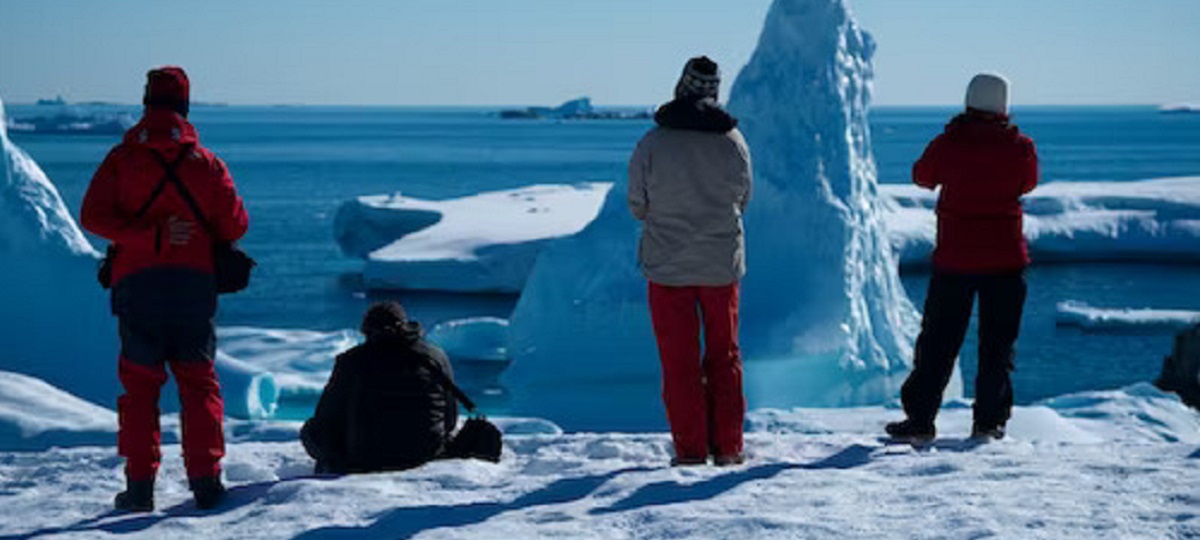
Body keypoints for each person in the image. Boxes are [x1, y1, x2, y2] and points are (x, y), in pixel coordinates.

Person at [81, 66, 249, 511]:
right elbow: (236, 223)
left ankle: (138, 490)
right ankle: (207, 482)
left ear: (145, 102)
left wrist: (144, 238)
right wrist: (182, 232)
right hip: (193, 288)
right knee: (199, 385)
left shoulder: (122, 160)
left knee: (139, 389)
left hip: (137, 286)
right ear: (185, 106)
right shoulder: (207, 164)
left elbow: (92, 218)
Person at [886, 72, 1038, 443]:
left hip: (955, 260)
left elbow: (922, 176)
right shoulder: (1020, 147)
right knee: (997, 346)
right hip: (1005, 262)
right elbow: (1028, 182)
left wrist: (954, 144)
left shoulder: (950, 143)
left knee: (938, 342)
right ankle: (989, 422)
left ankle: (920, 420)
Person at [627, 56, 753, 466]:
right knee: (725, 355)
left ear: (681, 87)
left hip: (667, 267)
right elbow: (744, 198)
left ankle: (690, 450)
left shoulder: (653, 143)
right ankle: (730, 448)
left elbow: (637, 204)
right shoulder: (732, 141)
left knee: (678, 360)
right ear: (715, 91)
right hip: (720, 266)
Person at [301, 302, 459, 474]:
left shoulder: (351, 361)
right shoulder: (435, 356)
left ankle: (330, 470)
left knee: (312, 431)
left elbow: (326, 415)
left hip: (366, 456)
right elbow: (450, 415)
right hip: (424, 451)